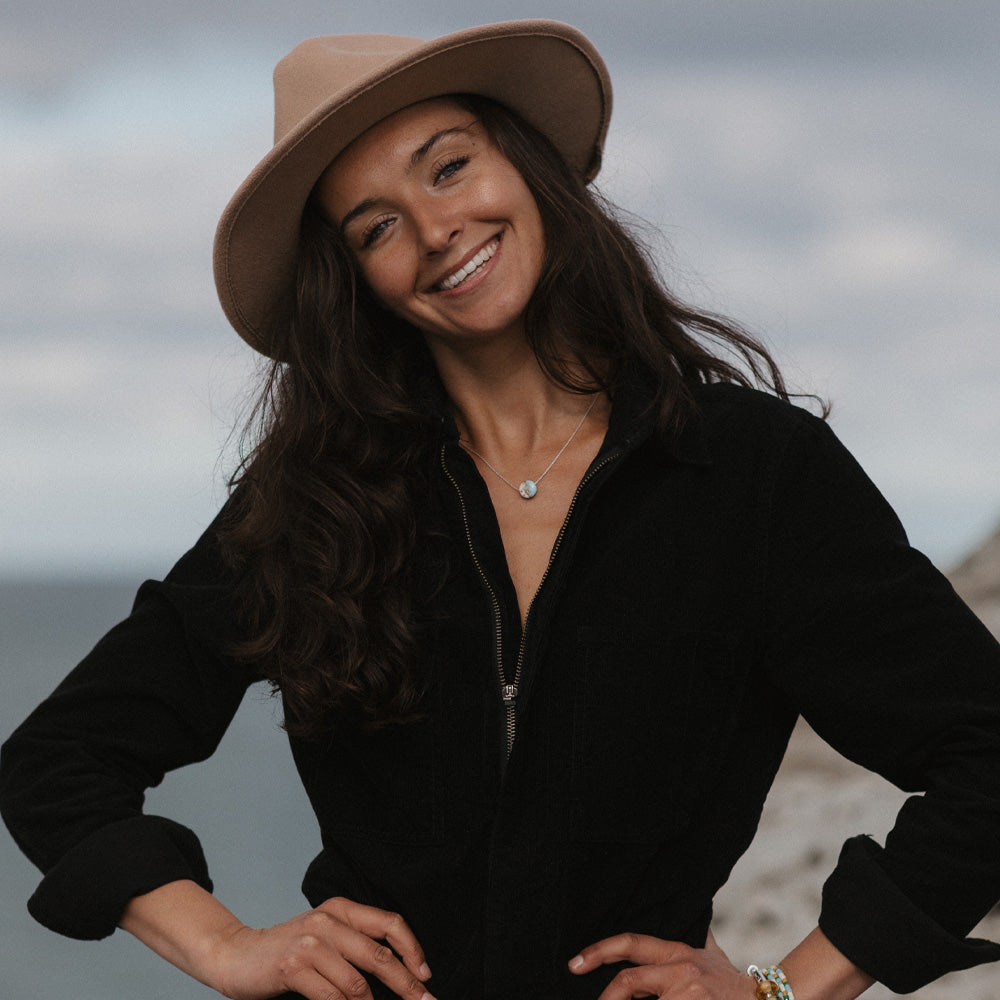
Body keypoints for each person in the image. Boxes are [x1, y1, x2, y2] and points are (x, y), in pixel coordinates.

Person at [2, 18, 1000, 1000]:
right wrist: (224, 945)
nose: (436, 230)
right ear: (355, 281)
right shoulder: (315, 504)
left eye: (449, 166)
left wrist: (785, 989)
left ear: (524, 166)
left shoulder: (750, 470)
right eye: (376, 226)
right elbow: (57, 762)